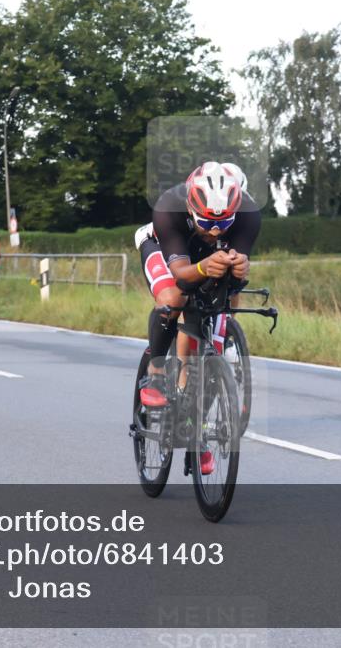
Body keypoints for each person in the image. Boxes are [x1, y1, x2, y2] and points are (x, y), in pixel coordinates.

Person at [134, 161, 260, 474]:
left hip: (205, 258)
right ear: (192, 206)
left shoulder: (249, 213)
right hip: (164, 248)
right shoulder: (169, 206)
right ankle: (157, 371)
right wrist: (204, 269)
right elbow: (180, 275)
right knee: (174, 298)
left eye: (224, 221)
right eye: (206, 220)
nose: (216, 229)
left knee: (210, 344)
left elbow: (235, 271)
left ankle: (196, 431)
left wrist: (240, 266)